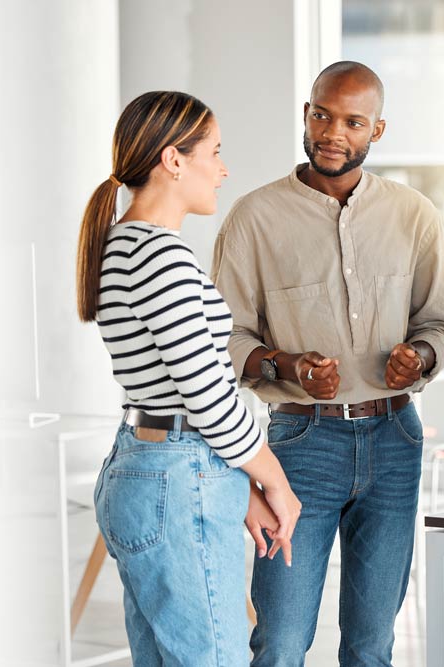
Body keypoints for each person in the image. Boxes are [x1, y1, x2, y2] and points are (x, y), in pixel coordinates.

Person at [211, 61, 444, 666]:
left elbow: (443, 326)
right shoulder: (253, 218)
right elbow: (226, 339)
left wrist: (418, 357)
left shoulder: (414, 215)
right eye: (321, 114)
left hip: (396, 437)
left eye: (353, 121)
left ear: (377, 131)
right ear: (306, 114)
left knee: (373, 644)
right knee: (282, 639)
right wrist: (285, 365)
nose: (332, 132)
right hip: (300, 442)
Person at [76, 91, 301, 666]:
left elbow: (177, 389)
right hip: (179, 476)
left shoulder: (119, 246)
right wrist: (273, 479)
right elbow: (206, 395)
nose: (224, 169)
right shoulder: (161, 256)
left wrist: (235, 480)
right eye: (215, 152)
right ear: (173, 160)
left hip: (145, 464)